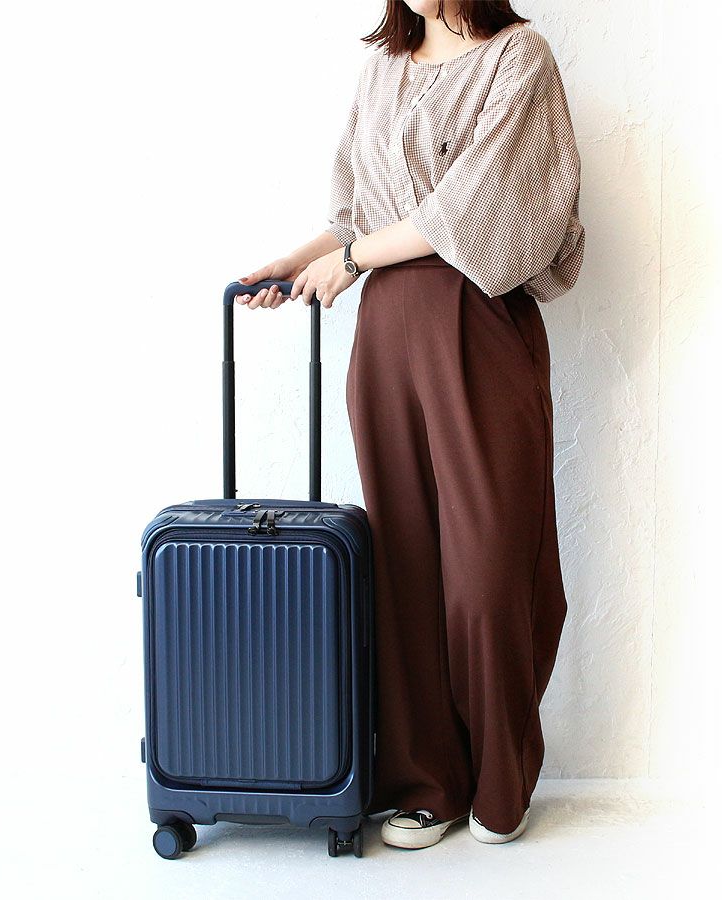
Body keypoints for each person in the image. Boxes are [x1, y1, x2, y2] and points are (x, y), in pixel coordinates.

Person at [233, 0, 584, 851]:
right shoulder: (382, 69)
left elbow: (477, 212)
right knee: (406, 569)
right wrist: (296, 261)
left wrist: (352, 259)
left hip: (479, 322)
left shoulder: (518, 60)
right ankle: (429, 783)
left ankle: (501, 778)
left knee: (490, 567)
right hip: (387, 333)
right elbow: (357, 212)